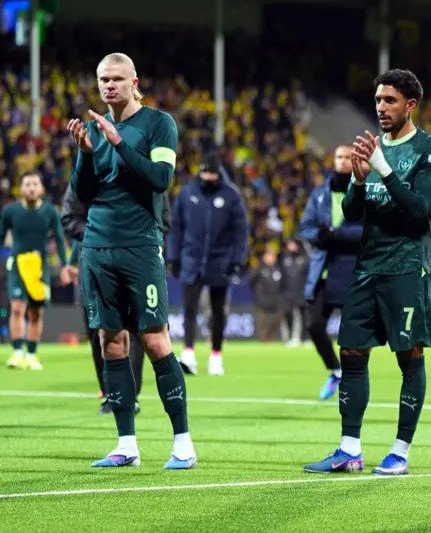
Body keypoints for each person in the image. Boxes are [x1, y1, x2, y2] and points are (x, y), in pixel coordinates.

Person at [303, 68, 431, 477]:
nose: (381, 107)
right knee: (351, 351)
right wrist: (359, 181)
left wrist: (383, 169)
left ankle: (400, 451)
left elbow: (419, 211)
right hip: (367, 268)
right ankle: (349, 449)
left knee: (409, 356)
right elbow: (351, 213)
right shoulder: (372, 149)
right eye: (378, 100)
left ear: (410, 105)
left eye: (390, 101)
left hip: (407, 270)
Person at [66, 52, 196, 469]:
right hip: (97, 247)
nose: (109, 86)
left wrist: (118, 141)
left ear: (134, 82)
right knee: (111, 342)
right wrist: (86, 153)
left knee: (155, 341)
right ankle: (126, 444)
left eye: (117, 79)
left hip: (140, 245)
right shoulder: (92, 129)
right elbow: (83, 194)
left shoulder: (159, 124)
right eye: (103, 79)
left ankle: (183, 445)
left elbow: (161, 179)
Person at [62, 184, 154, 414]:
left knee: (134, 329)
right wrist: (101, 232)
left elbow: (161, 215)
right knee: (97, 331)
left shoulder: (141, 171)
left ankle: (129, 395)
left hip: (135, 259)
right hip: (94, 260)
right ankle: (109, 393)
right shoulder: (84, 175)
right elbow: (69, 217)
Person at [169, 152, 248, 376]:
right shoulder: (187, 192)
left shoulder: (231, 196)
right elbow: (176, 227)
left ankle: (216, 356)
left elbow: (241, 232)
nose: (208, 177)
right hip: (191, 259)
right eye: (205, 173)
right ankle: (188, 354)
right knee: (189, 309)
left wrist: (237, 260)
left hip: (220, 261)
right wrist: (173, 257)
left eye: (212, 173)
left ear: (218, 173)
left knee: (218, 312)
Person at [298, 144, 364, 400]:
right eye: (339, 157)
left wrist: (336, 235)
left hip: (351, 270)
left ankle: (352, 380)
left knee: (351, 335)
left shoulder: (365, 191)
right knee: (314, 325)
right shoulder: (320, 193)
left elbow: (368, 230)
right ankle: (336, 370)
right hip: (324, 271)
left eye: (348, 157)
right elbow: (306, 227)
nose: (343, 161)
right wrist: (320, 236)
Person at [2, 171, 69, 371]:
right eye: (27, 184)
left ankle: (31, 354)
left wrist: (65, 266)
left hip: (40, 266)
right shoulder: (10, 211)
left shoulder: (50, 211)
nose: (31, 188)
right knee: (16, 308)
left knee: (36, 312)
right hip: (17, 264)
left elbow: (59, 239)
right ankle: (17, 353)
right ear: (21, 188)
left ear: (41, 188)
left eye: (34, 184)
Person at [280, 239, 310, 347]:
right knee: (288, 314)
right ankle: (291, 338)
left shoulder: (305, 258)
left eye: (293, 244)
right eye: (289, 244)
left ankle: (305, 338)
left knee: (304, 315)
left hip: (302, 291)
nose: (291, 246)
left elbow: (309, 275)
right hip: (288, 292)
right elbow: (282, 276)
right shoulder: (285, 259)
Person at [250, 249, 284, 342]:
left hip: (276, 300)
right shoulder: (259, 269)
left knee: (277, 319)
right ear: (264, 258)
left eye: (272, 257)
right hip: (263, 300)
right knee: (263, 322)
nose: (270, 259)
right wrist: (258, 292)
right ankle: (263, 339)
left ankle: (271, 338)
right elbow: (251, 282)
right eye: (268, 256)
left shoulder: (278, 269)